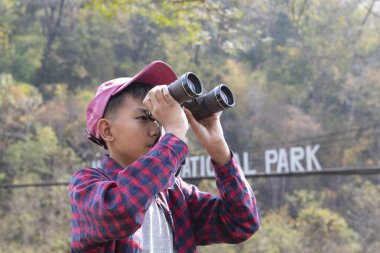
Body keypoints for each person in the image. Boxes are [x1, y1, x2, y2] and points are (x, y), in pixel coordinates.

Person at [69, 60, 261, 253]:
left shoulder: (176, 196)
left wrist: (218, 149)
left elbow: (242, 222)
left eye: (159, 120)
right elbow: (124, 209)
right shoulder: (86, 186)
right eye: (144, 118)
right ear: (107, 130)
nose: (155, 130)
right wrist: (175, 131)